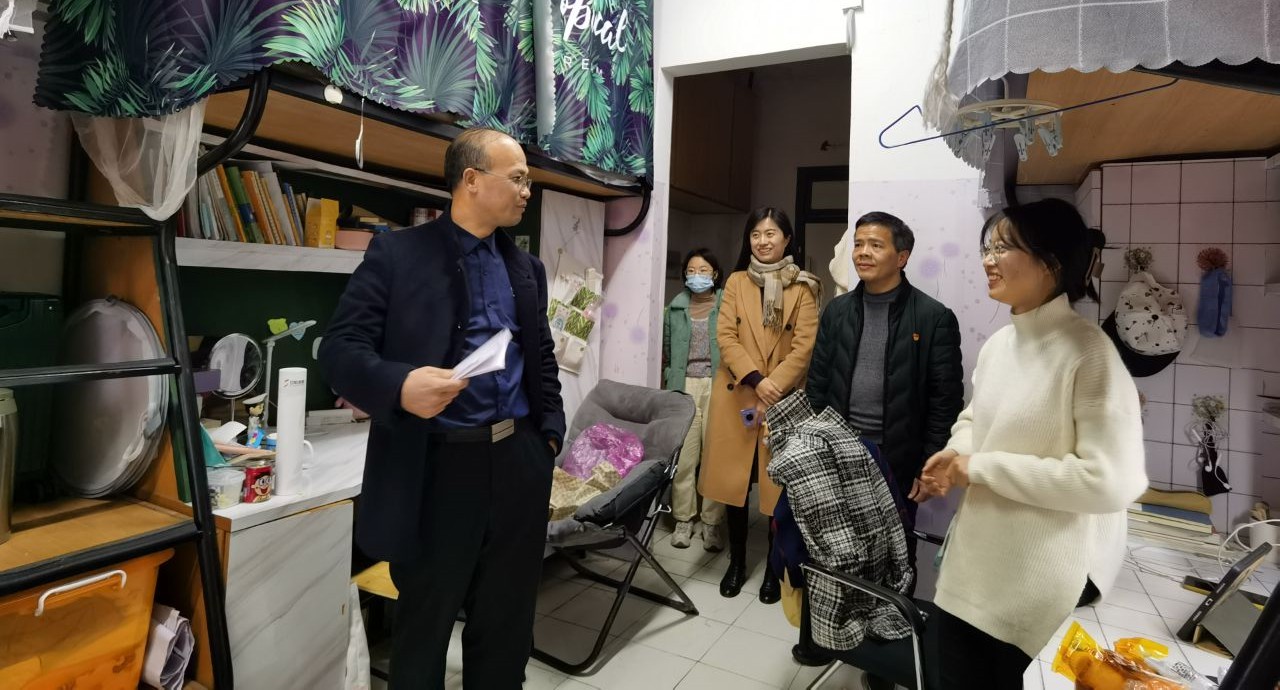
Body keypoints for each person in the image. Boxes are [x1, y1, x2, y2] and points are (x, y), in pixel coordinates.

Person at [319, 127, 565, 689]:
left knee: (507, 623)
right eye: (518, 178)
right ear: (471, 180)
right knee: (424, 626)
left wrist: (547, 435)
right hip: (436, 467)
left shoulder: (526, 269)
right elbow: (339, 349)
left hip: (518, 462)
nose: (527, 190)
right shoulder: (398, 254)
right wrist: (401, 385)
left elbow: (542, 356)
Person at [921, 198, 1147, 689]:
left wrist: (978, 468)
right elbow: (978, 416)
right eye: (988, 247)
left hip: (1030, 591)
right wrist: (957, 451)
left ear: (1051, 263)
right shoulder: (1001, 345)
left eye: (1004, 247)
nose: (988, 259)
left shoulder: (1089, 352)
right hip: (967, 573)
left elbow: (1111, 481)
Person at [805, 211, 963, 570]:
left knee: (895, 556)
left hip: (898, 460)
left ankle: (892, 606)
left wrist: (928, 465)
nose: (863, 252)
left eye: (876, 245)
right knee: (834, 552)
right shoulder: (837, 312)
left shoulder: (933, 317)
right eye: (858, 244)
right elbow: (818, 383)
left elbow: (945, 401)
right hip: (838, 453)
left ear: (902, 257)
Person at [699, 207, 820, 602]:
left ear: (787, 239)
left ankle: (773, 566)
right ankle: (736, 562)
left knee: (775, 490)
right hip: (739, 392)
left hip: (780, 400)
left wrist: (773, 386)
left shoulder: (803, 287)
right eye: (756, 234)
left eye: (771, 234)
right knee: (735, 486)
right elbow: (725, 336)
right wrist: (756, 380)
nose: (763, 241)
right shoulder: (735, 282)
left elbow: (804, 348)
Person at [662, 248, 727, 551]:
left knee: (715, 458)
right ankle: (684, 520)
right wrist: (670, 379)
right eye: (691, 270)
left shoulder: (727, 304)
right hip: (684, 386)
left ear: (715, 274)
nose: (696, 276)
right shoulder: (675, 308)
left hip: (718, 385)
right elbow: (667, 350)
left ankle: (711, 523)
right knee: (685, 459)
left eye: (703, 270)